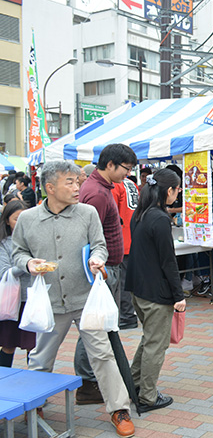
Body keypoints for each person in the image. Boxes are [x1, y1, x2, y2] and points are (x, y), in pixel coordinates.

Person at [11, 160, 135, 437]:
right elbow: (17, 252)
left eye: (78, 181)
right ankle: (36, 404)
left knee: (102, 354)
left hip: (85, 298)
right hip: (50, 301)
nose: (77, 186)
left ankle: (118, 408)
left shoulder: (87, 213)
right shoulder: (28, 218)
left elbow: (100, 245)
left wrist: (97, 258)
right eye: (70, 182)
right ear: (50, 187)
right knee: (41, 358)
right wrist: (29, 263)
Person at [75, 143, 138, 405]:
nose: (128, 174)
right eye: (126, 169)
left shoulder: (101, 188)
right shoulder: (99, 194)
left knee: (96, 325)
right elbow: (91, 237)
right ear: (110, 164)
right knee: (94, 327)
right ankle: (88, 382)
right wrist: (99, 267)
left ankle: (90, 380)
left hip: (107, 267)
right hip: (103, 269)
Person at [125, 168, 186, 413]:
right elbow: (168, 261)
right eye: (177, 188)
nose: (179, 192)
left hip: (138, 288)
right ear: (168, 191)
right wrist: (179, 295)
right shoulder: (160, 218)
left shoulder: (140, 213)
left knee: (149, 340)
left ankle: (133, 384)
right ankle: (147, 396)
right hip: (155, 292)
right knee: (156, 345)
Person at [0, 200, 35, 367]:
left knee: (33, 346)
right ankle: (3, 381)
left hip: (33, 299)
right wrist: (27, 265)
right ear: (7, 221)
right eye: (16, 219)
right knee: (8, 344)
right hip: (12, 302)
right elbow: (4, 272)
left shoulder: (35, 239)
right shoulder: (4, 243)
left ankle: (34, 384)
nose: (20, 223)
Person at [112, 176, 140, 329]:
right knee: (128, 280)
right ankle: (130, 314)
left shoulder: (116, 185)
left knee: (122, 282)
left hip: (121, 239)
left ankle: (126, 316)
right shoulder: (131, 183)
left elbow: (112, 212)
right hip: (133, 237)